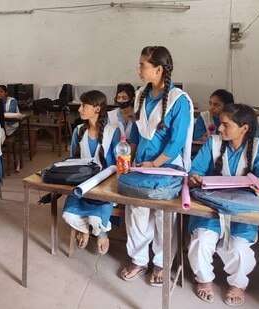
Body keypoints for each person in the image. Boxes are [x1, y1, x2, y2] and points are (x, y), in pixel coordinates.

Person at [120, 46, 194, 287]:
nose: (138, 69)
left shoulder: (178, 100)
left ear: (158, 69)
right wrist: (128, 160)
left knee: (163, 217)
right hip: (141, 165)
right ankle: (140, 259)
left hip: (166, 168)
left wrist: (154, 164)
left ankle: (162, 263)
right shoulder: (141, 94)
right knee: (137, 214)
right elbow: (136, 134)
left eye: (143, 65)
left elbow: (176, 142)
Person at [186, 103, 259, 306]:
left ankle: (238, 283)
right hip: (212, 204)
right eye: (220, 124)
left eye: (226, 125)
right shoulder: (213, 143)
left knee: (239, 247)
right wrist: (195, 178)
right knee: (201, 240)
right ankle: (205, 279)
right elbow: (196, 169)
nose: (219, 129)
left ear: (244, 128)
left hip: (243, 206)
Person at [61, 90, 121, 255]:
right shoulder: (79, 131)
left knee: (96, 219)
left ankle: (101, 232)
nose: (79, 109)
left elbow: (118, 163)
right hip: (81, 184)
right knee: (67, 215)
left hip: (104, 186)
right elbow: (72, 159)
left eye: (83, 105)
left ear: (97, 109)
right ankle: (86, 230)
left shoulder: (112, 131)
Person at [107, 83, 140, 158]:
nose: (120, 100)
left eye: (124, 98)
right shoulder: (110, 115)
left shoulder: (139, 115)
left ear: (132, 99)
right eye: (118, 97)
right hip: (115, 155)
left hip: (136, 154)